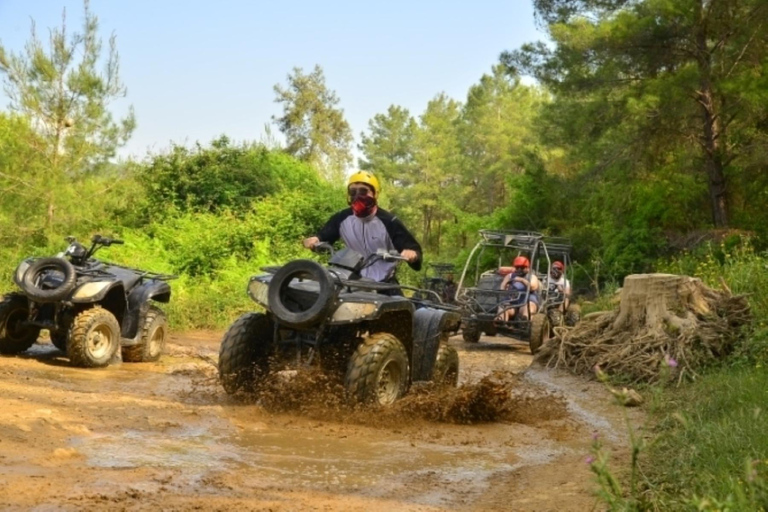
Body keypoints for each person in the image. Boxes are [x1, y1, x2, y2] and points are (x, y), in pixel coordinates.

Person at [302, 171, 422, 287]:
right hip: (352, 280)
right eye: (353, 192)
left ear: (375, 194)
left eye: (363, 191)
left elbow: (414, 249)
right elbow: (324, 236)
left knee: (402, 306)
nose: (358, 196)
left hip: (384, 284)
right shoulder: (341, 218)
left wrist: (412, 255)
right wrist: (315, 240)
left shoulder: (389, 221)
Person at [497, 256, 540, 322]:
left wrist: (521, 280)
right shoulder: (510, 276)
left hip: (526, 300)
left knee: (528, 308)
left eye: (522, 267)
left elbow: (532, 287)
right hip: (512, 301)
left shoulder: (532, 276)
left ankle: (524, 322)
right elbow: (502, 288)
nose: (519, 269)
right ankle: (501, 321)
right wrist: (506, 286)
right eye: (517, 267)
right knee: (503, 306)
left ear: (527, 268)